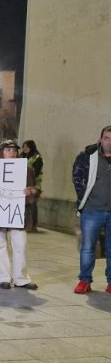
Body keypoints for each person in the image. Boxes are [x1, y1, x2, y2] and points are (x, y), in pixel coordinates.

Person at [0, 140, 40, 290]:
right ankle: (3, 278)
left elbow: (35, 189)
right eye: (8, 150)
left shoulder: (27, 169)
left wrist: (31, 191)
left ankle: (21, 278)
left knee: (20, 245)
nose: (12, 153)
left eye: (14, 151)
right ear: (1, 153)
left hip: (18, 212)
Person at [73, 126, 111, 294]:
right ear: (100, 139)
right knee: (88, 247)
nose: (109, 142)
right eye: (107, 138)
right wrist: (84, 199)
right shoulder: (87, 157)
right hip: (91, 210)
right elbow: (77, 176)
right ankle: (85, 280)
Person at [21, 140, 43, 233]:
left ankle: (33, 224)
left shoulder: (37, 158)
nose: (24, 149)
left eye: (26, 147)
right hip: (23, 183)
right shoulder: (22, 156)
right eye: (23, 147)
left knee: (32, 204)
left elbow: (36, 172)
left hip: (34, 183)